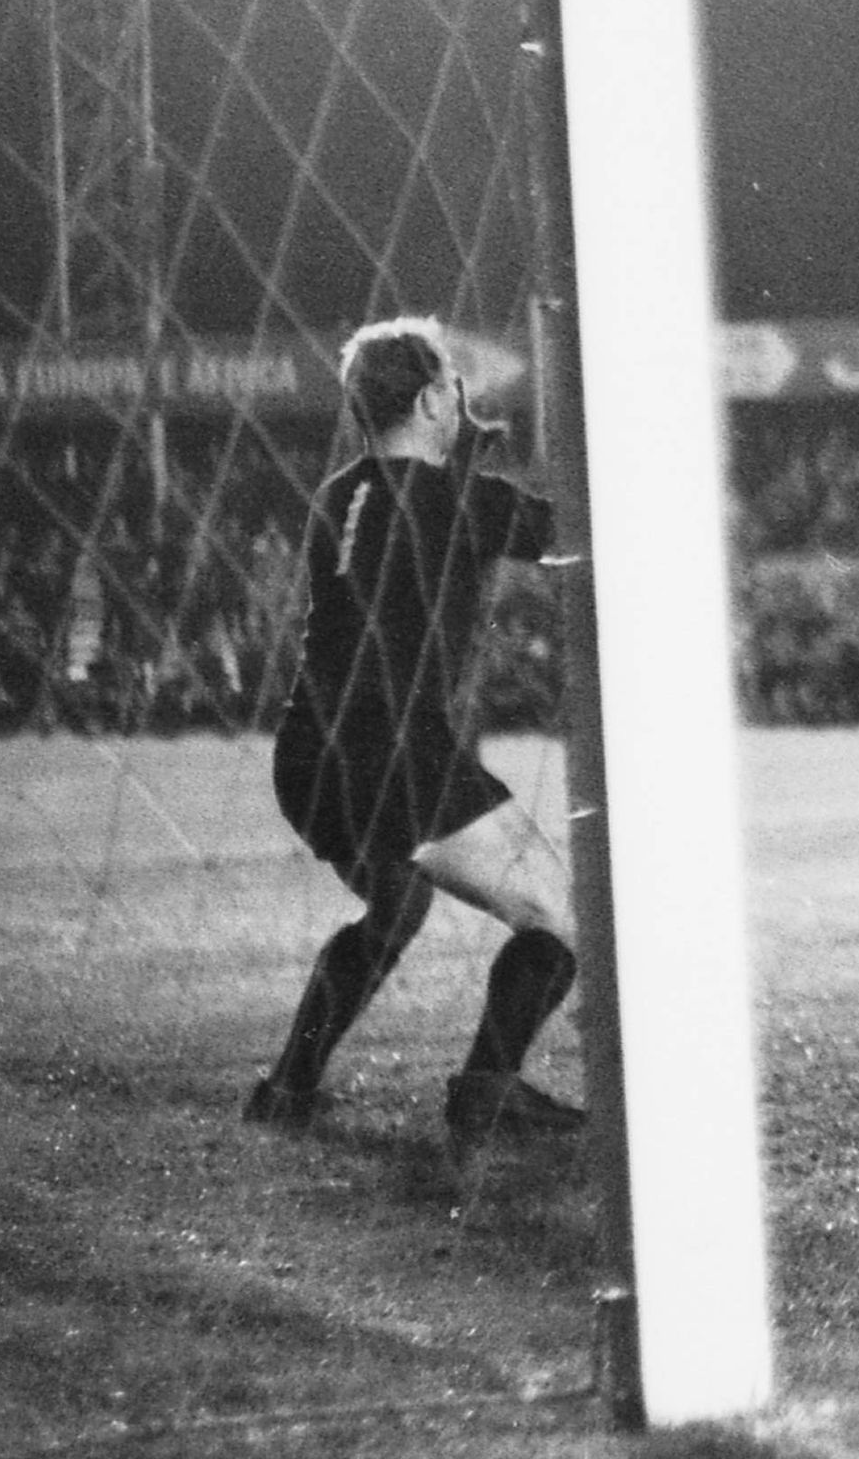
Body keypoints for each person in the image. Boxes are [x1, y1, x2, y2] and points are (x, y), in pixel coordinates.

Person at [249, 318, 584, 1159]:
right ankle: (488, 1090)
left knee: (395, 907)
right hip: (394, 752)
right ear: (433, 399)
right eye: (454, 386)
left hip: (307, 758)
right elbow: (568, 534)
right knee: (558, 916)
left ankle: (287, 1087)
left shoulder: (339, 495)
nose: (464, 399)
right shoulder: (456, 498)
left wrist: (464, 458)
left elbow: (406, 538)